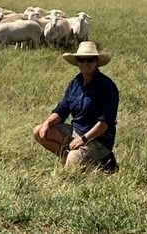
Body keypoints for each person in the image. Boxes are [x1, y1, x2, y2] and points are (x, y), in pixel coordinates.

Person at [33, 41, 119, 172]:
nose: (85, 63)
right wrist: (46, 124)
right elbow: (62, 110)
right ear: (77, 62)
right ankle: (70, 159)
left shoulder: (107, 87)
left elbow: (105, 123)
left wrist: (84, 139)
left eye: (90, 60)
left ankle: (102, 164)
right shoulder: (75, 83)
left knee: (72, 162)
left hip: (98, 140)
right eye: (81, 59)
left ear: (96, 62)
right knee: (39, 131)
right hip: (75, 132)